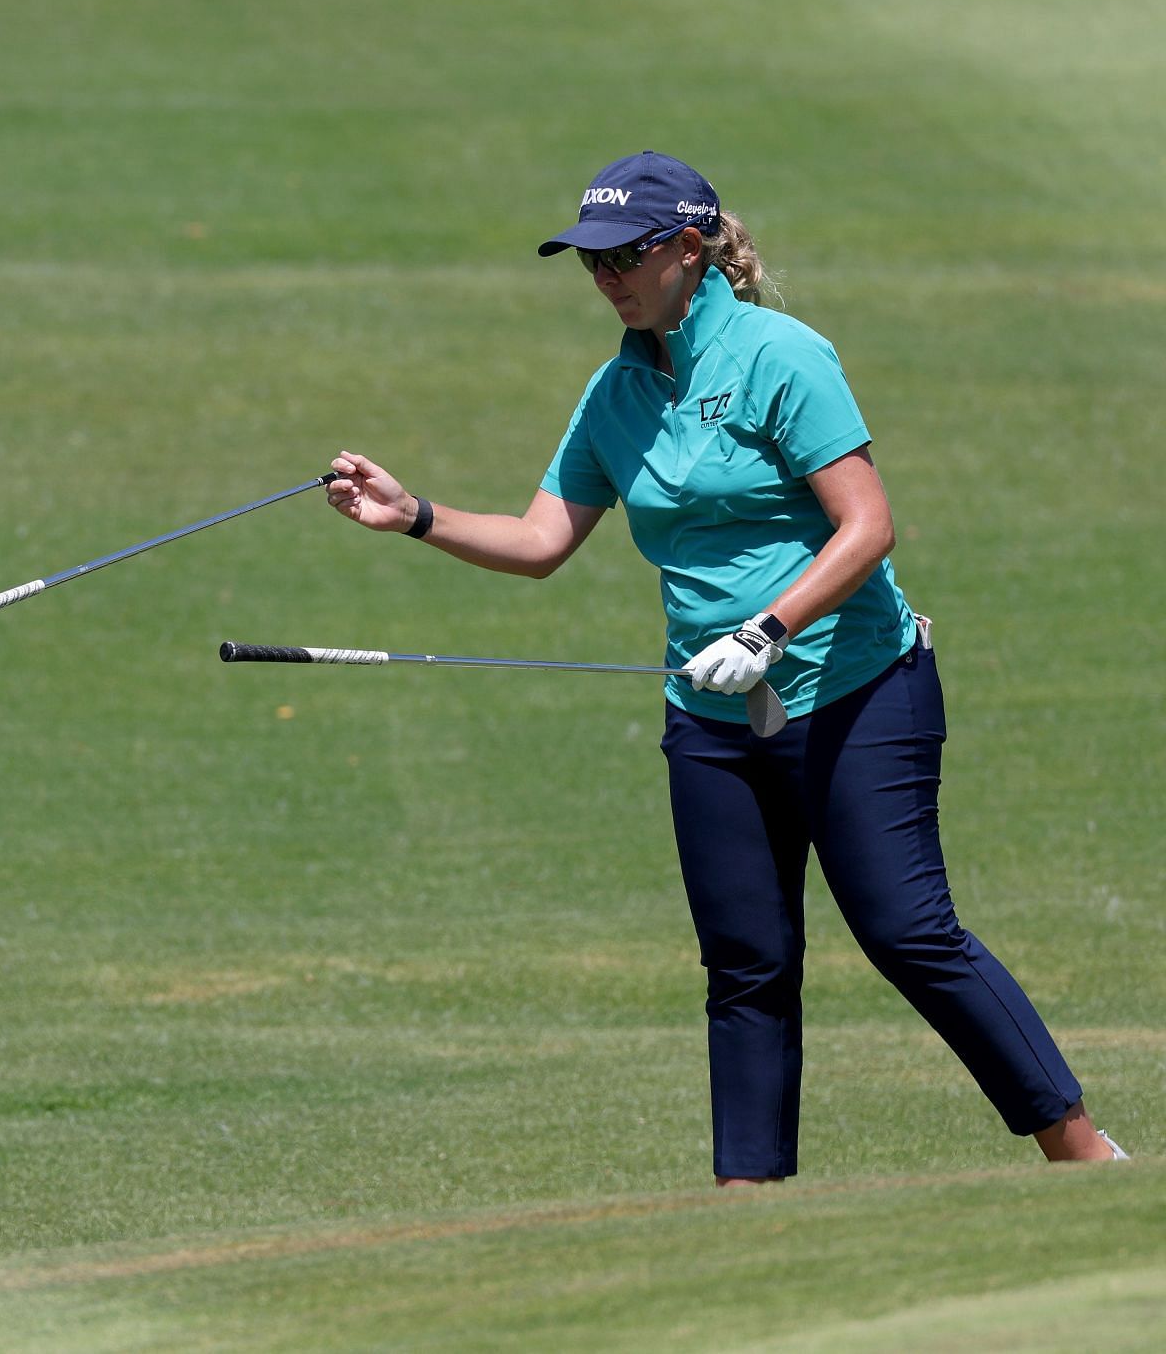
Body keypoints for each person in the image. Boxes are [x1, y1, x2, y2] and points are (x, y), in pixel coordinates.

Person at [325, 152, 1125, 1183]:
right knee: (746, 963)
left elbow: (868, 525)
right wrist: (414, 515)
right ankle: (749, 1198)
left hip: (857, 689)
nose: (605, 275)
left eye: (624, 254)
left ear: (688, 250)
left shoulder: (781, 357)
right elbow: (538, 541)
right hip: (709, 718)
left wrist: (768, 628)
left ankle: (1081, 1147)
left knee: (907, 930)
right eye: (589, 260)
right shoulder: (616, 394)